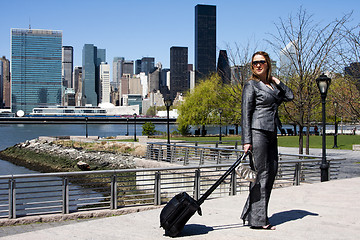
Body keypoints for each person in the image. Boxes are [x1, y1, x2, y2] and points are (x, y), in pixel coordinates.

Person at [241, 51, 294, 230]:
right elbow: (246, 114)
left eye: (261, 62)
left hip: (271, 132)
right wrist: (246, 140)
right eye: (254, 63)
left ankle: (252, 213)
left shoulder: (272, 85)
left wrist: (277, 81)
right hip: (257, 132)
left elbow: (290, 96)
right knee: (262, 173)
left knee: (271, 172)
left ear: (267, 64)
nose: (257, 65)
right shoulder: (251, 85)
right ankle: (258, 220)